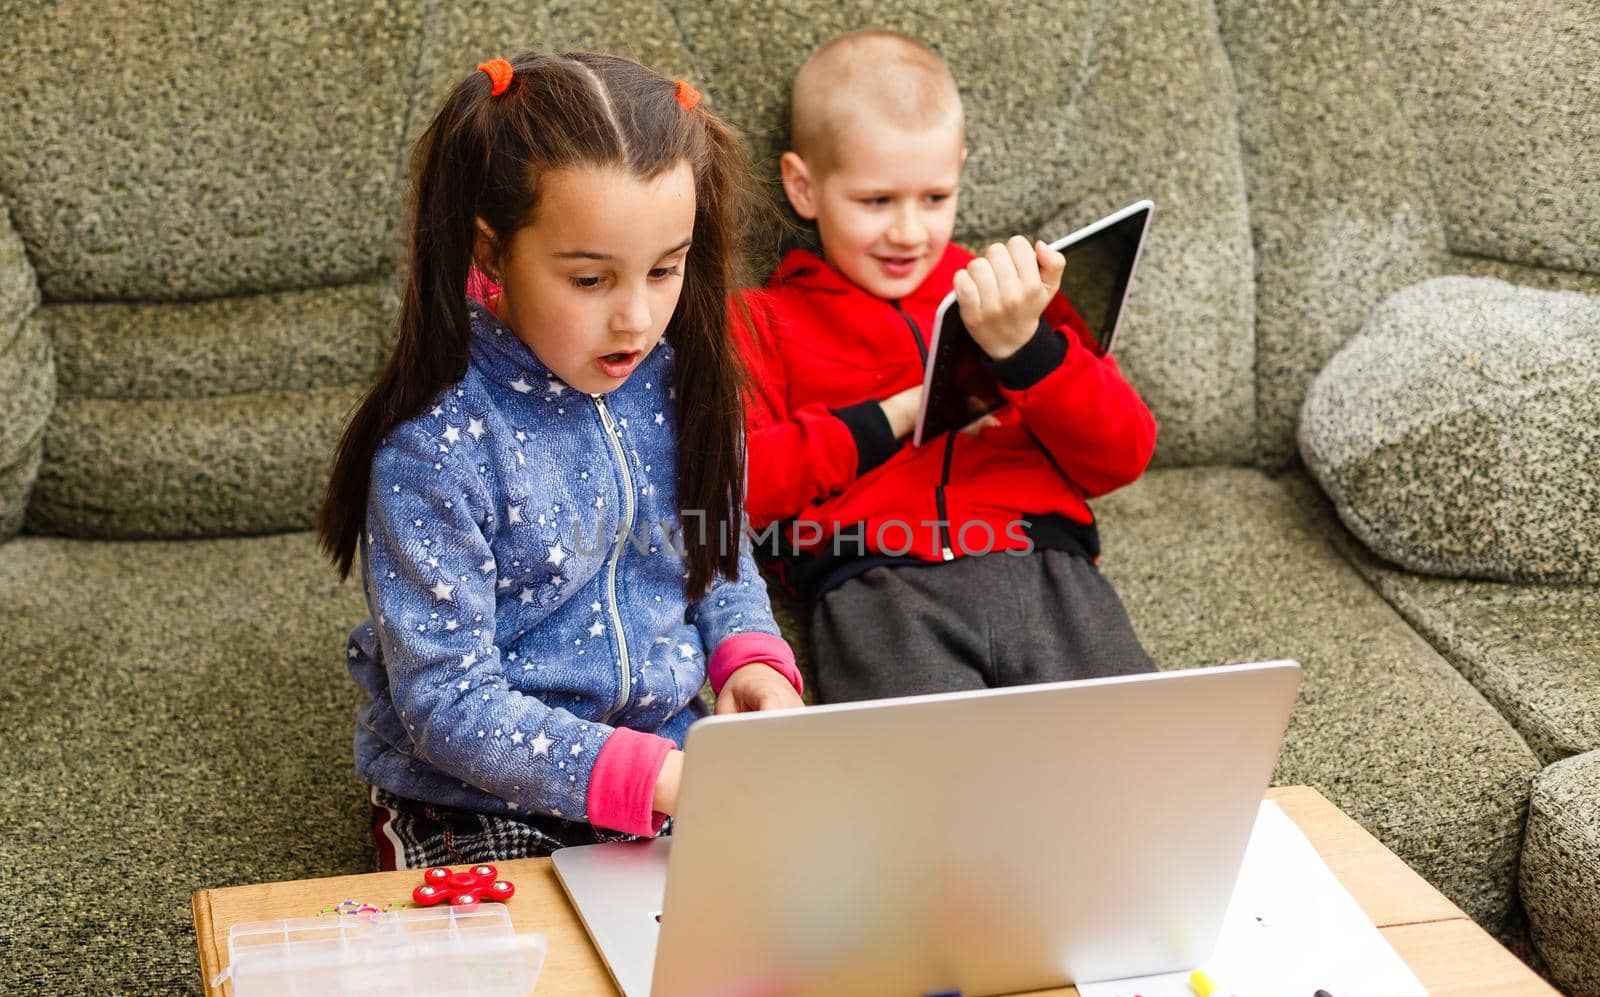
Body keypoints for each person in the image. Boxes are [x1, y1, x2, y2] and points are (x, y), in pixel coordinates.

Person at [316, 52, 803, 870]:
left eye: (665, 269)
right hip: (470, 799)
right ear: (491, 251)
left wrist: (751, 655)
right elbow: (447, 701)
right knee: (524, 990)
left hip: (670, 763)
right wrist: (656, 778)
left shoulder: (679, 382)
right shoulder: (433, 445)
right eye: (589, 279)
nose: (637, 318)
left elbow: (717, 554)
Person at [737, 30, 1158, 704]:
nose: (909, 231)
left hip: (1045, 561)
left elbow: (1123, 453)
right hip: (875, 577)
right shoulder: (760, 321)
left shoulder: (1002, 289)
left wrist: (1028, 351)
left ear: (960, 169)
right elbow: (739, 484)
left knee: (1142, 759)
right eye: (876, 201)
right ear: (804, 186)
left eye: (935, 197)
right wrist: (894, 416)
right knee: (917, 792)